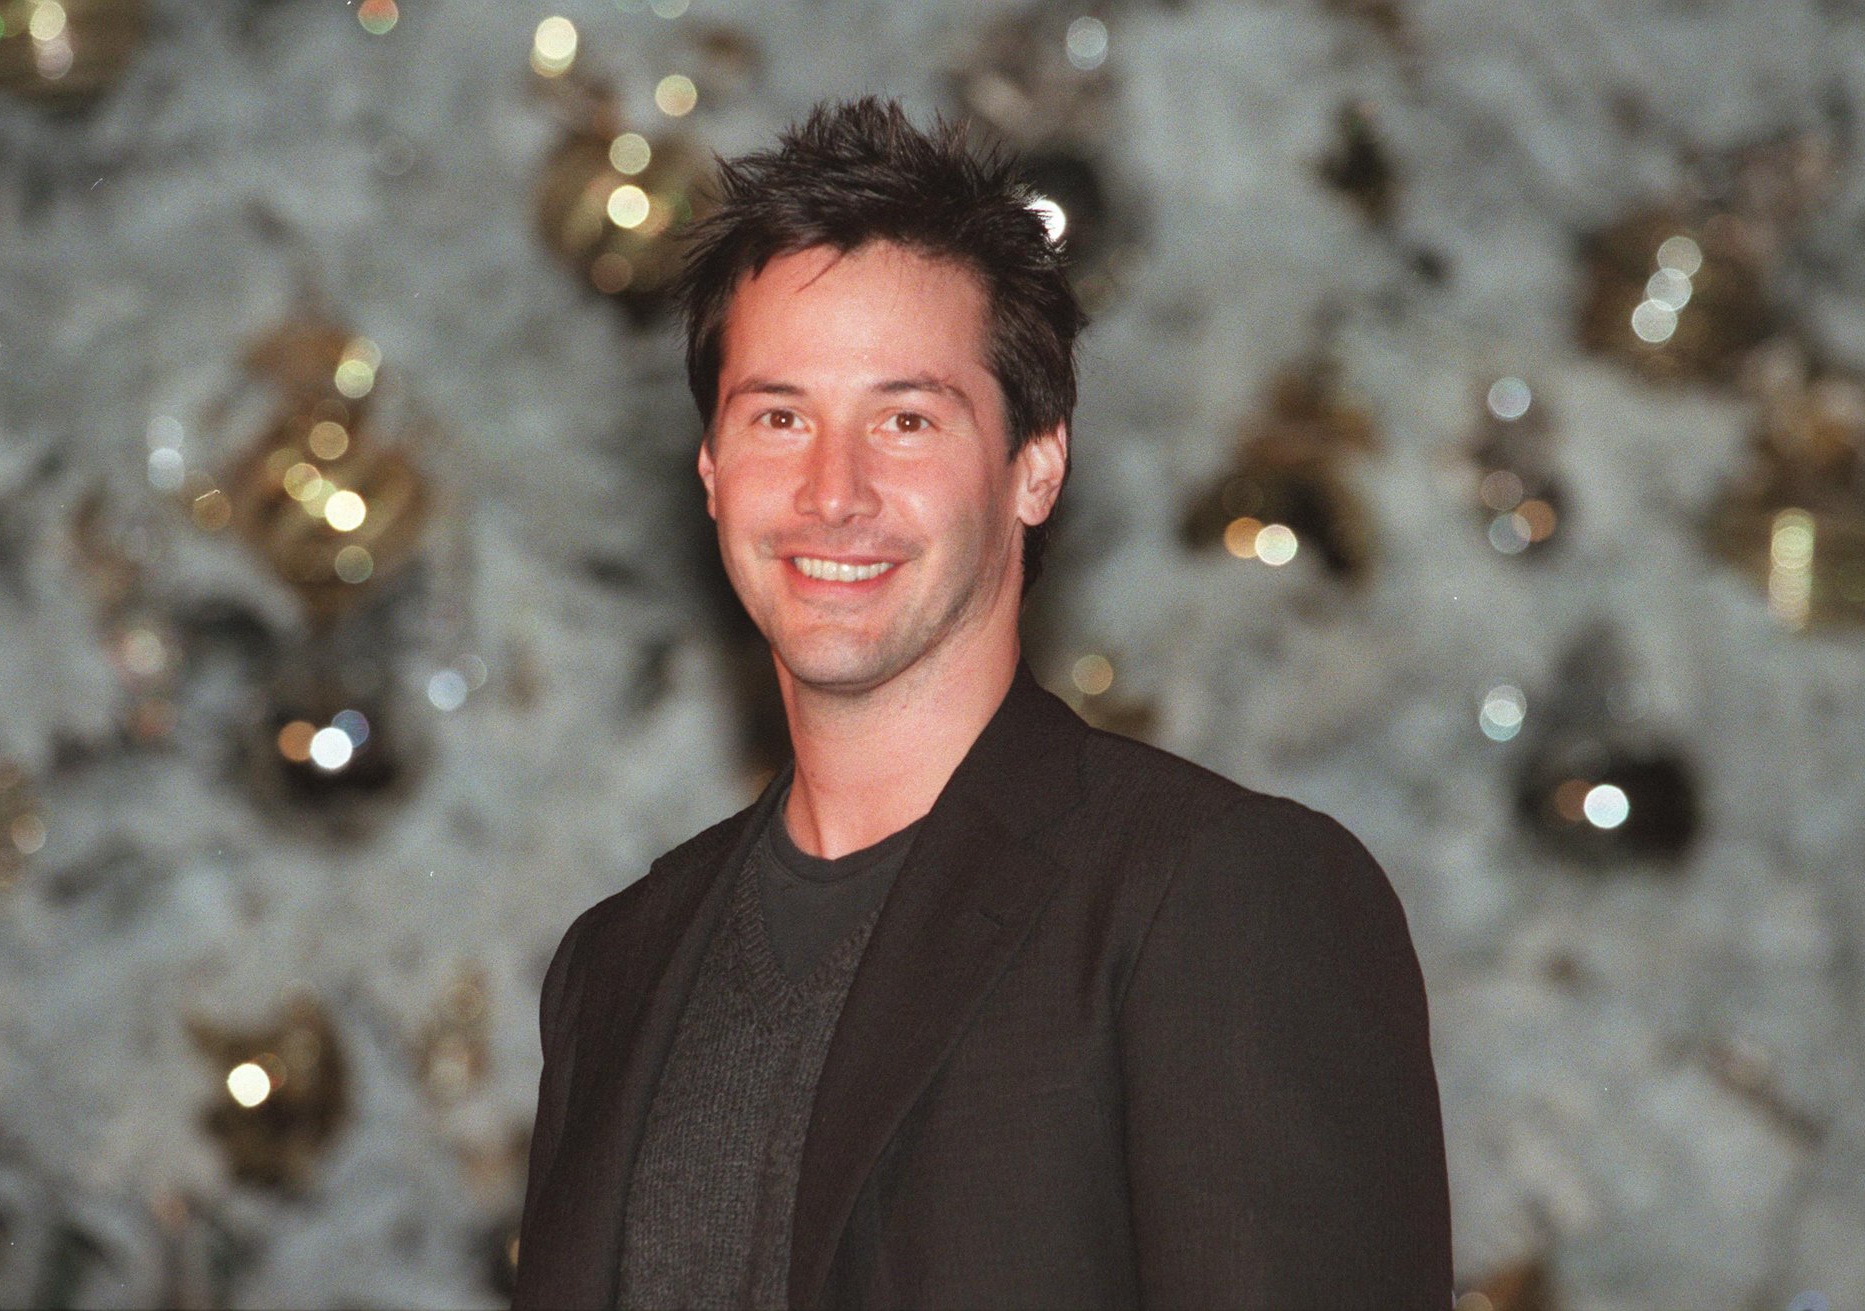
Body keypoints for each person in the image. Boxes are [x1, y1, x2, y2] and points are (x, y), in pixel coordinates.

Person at [511, 96, 1451, 1311]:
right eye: (778, 417)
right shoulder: (614, 968)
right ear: (708, 469)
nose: (830, 491)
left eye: (905, 421)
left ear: (1034, 465)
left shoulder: (1217, 896)